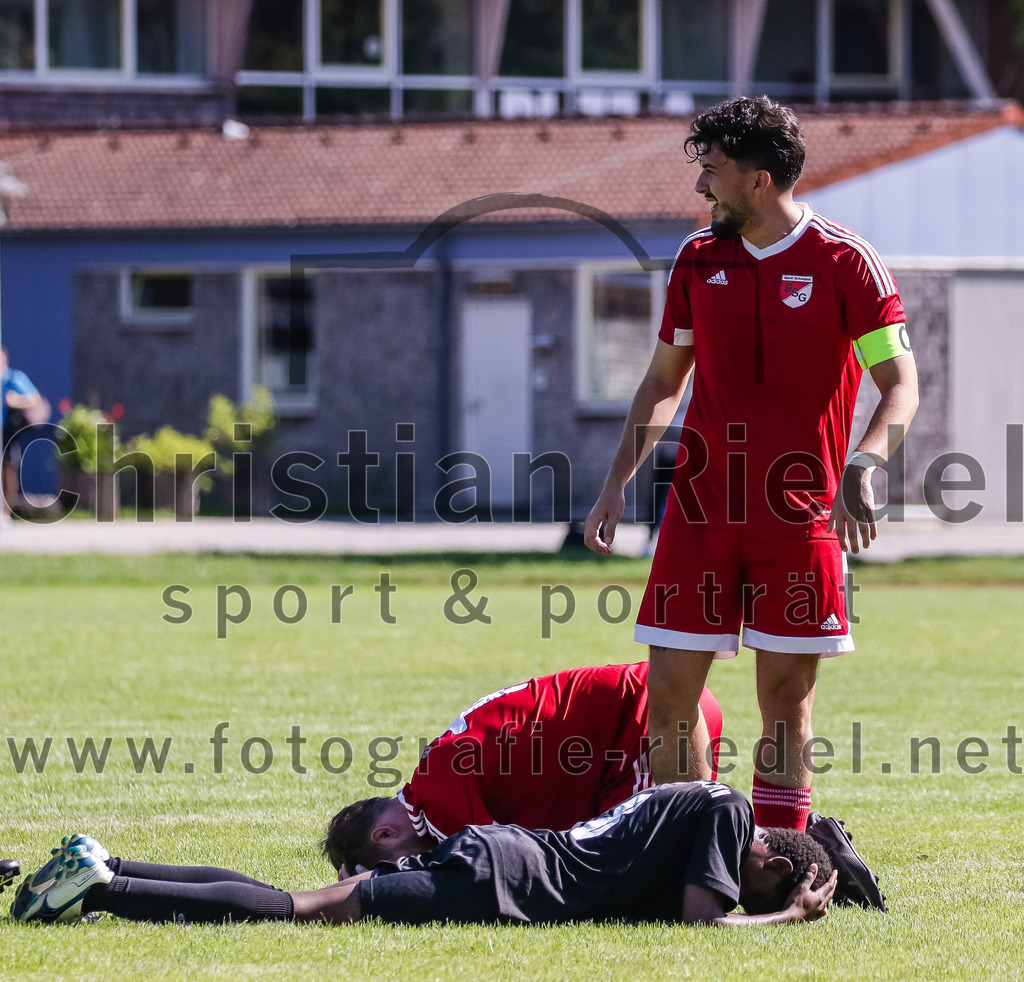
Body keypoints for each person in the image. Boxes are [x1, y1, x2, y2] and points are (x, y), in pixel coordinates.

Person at [584, 97, 919, 833]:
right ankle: (685, 853)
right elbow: (664, 382)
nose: (702, 187)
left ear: (759, 179)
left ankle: (778, 863)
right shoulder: (698, 259)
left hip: (800, 517)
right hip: (700, 512)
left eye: (713, 170)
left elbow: (901, 386)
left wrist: (866, 461)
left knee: (788, 700)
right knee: (668, 695)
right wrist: (616, 484)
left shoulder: (845, 263)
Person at [11, 782, 837, 927]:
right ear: (769, 860)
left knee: (309, 899)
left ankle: (111, 866)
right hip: (502, 878)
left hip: (499, 856)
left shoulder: (691, 799)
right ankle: (105, 888)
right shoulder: (729, 813)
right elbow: (703, 926)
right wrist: (787, 918)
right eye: (758, 886)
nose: (739, 892)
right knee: (306, 910)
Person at [323, 661, 723, 874]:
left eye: (396, 862)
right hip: (658, 707)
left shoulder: (435, 798)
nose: (409, 865)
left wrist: (383, 882)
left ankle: (776, 880)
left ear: (385, 834)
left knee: (650, 872)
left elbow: (491, 866)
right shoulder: (433, 777)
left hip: (651, 718)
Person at [1, 346, 47, 526]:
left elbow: (35, 399)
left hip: (7, 431)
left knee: (8, 469)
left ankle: (5, 513)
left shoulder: (14, 378)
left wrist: (16, 400)